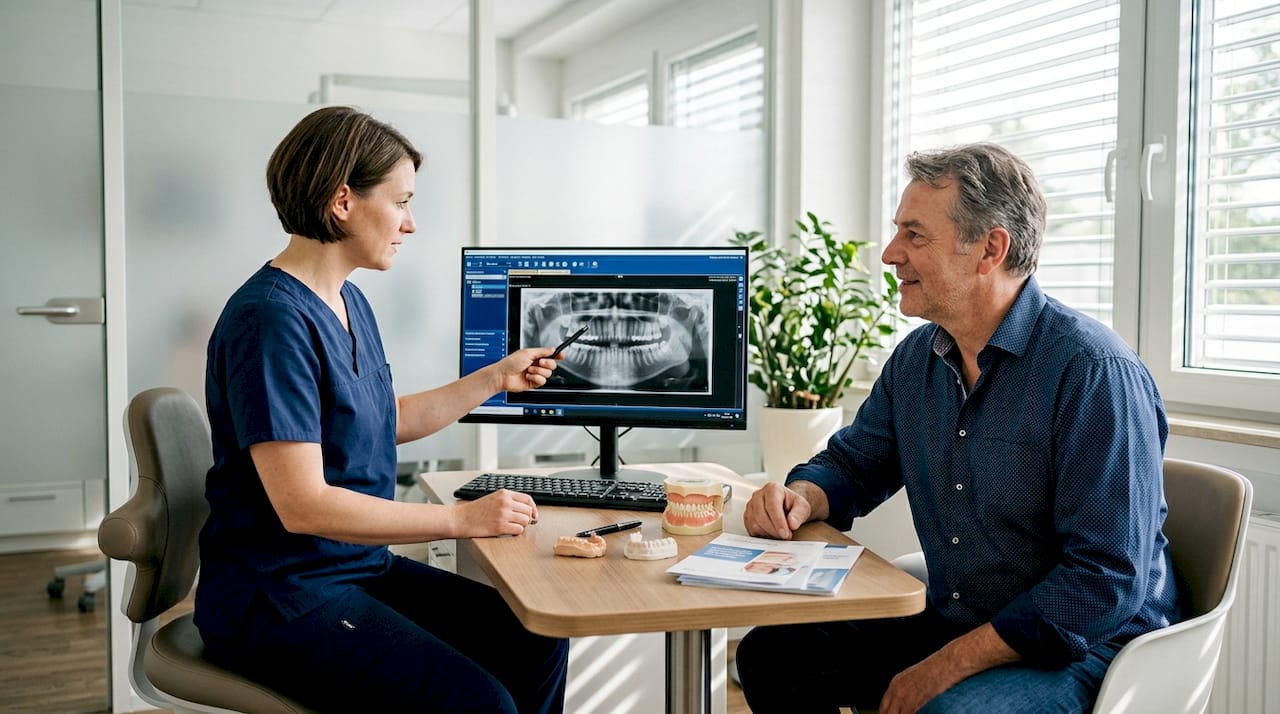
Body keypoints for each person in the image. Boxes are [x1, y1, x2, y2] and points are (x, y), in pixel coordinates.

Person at [735, 143, 1181, 714]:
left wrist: (947, 665)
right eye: (897, 231)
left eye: (915, 235)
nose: (891, 254)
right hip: (964, 618)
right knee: (773, 655)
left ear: (991, 248)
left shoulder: (1093, 372)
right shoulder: (918, 358)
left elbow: (1103, 581)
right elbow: (854, 464)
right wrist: (799, 497)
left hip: (1089, 647)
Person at [195, 105, 569, 713]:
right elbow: (302, 504)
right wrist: (459, 521)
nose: (411, 223)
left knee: (535, 636)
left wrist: (495, 378)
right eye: (401, 202)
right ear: (343, 201)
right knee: (478, 702)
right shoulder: (270, 320)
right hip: (282, 596)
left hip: (352, 568)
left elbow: (382, 417)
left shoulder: (347, 301)